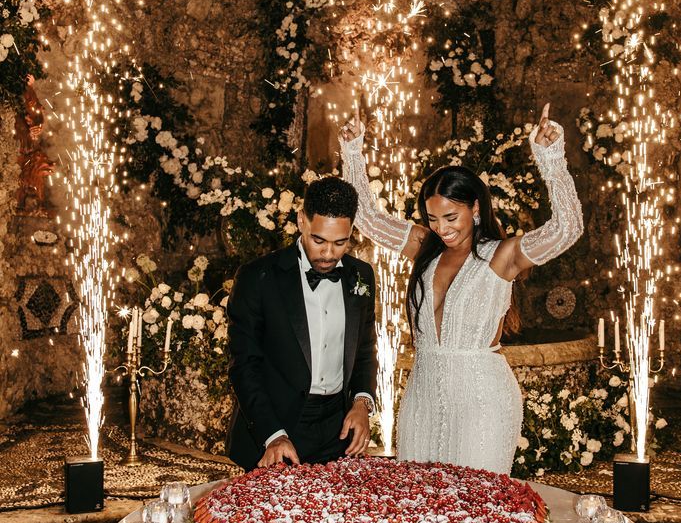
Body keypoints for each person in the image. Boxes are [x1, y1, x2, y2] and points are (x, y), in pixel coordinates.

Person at [340, 103, 583, 473]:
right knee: (419, 505)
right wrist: (352, 152)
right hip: (423, 395)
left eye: (451, 217)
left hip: (482, 401)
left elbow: (568, 230)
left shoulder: (502, 256)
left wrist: (551, 158)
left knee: (476, 513)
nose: (441, 228)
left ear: (475, 209)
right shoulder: (425, 248)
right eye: (433, 218)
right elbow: (367, 218)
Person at [226, 176, 378, 471]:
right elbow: (244, 365)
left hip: (337, 433)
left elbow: (365, 348)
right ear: (301, 221)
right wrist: (273, 435)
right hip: (275, 427)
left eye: (340, 242)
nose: (329, 254)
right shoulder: (258, 277)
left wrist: (362, 403)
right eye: (318, 240)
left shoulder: (362, 276)